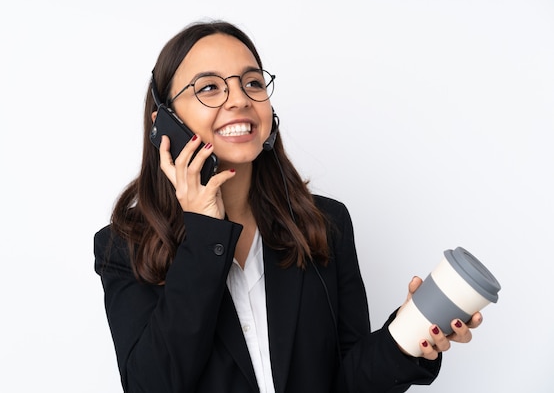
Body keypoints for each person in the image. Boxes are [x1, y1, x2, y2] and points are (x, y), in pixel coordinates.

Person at [93, 20, 482, 393]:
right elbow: (152, 385)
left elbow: (347, 381)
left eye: (252, 83)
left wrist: (407, 336)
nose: (240, 99)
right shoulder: (124, 247)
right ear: (164, 122)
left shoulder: (324, 224)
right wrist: (204, 233)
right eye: (209, 87)